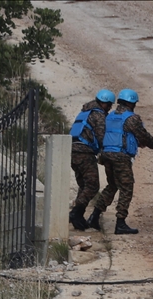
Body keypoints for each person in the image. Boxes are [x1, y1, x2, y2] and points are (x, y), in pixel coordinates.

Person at [87, 89, 153, 234]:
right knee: (126, 188)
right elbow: (145, 137)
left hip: (106, 155)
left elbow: (119, 134)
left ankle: (94, 216)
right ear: (132, 103)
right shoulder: (132, 118)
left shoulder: (110, 116)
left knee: (112, 185)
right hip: (120, 157)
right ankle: (120, 223)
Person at [68, 89, 114, 230]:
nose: (109, 108)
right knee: (93, 186)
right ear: (104, 103)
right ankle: (75, 213)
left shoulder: (85, 111)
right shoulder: (98, 115)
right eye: (109, 105)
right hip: (84, 152)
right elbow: (101, 137)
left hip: (72, 150)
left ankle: (78, 217)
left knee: (84, 185)